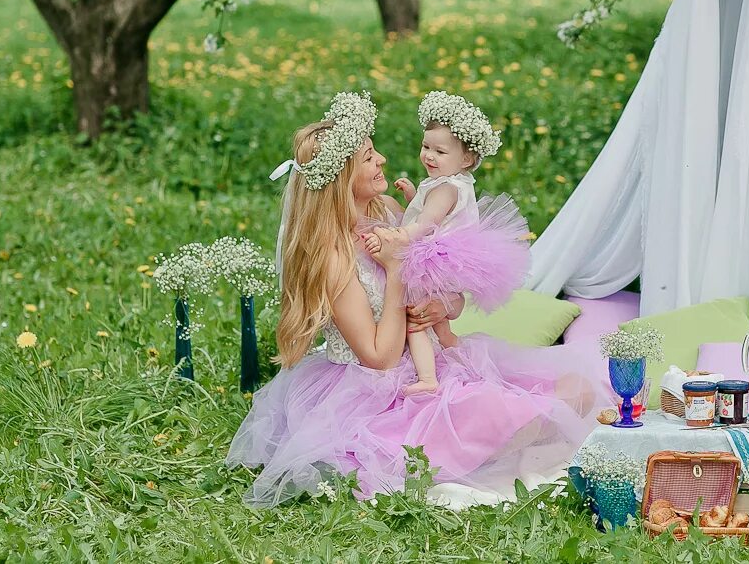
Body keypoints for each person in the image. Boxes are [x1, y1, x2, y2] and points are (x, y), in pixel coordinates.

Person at [227, 91, 608, 507]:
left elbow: (450, 289)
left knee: (576, 391)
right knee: (502, 414)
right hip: (374, 389)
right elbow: (379, 357)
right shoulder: (334, 257)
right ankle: (466, 448)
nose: (383, 161)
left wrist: (443, 307)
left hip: (428, 357)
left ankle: (477, 442)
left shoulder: (390, 210)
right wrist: (392, 271)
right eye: (369, 157)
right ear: (341, 177)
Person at [363, 90, 530, 395]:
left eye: (439, 152)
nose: (428, 156)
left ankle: (427, 378)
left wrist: (400, 235)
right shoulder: (453, 184)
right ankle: (450, 342)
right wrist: (414, 196)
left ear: (467, 158)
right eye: (426, 146)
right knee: (430, 316)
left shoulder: (445, 189)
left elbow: (426, 222)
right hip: (449, 256)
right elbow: (432, 212)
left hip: (433, 255)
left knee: (415, 319)